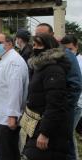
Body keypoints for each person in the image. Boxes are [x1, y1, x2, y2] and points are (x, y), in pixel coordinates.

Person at [35, 23, 82, 160]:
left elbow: (75, 85)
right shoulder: (41, 54)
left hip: (63, 110)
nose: (39, 38)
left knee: (66, 143)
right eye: (37, 35)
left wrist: (63, 108)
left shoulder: (66, 54)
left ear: (52, 35)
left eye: (43, 35)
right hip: (48, 111)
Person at [22, 34, 70, 160]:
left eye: (39, 45)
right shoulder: (40, 67)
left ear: (49, 47)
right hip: (36, 125)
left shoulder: (53, 69)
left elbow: (55, 105)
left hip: (48, 130)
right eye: (34, 44)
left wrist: (45, 133)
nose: (35, 48)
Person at [0, 34, 29, 160]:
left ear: (9, 43)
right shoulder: (6, 58)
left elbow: (16, 90)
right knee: (5, 150)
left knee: (5, 152)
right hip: (0, 114)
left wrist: (12, 115)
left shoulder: (14, 61)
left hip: (6, 117)